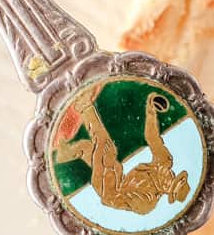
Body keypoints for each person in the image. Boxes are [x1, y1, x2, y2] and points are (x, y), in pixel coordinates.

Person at [54, 86, 191, 214]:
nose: (169, 176)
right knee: (86, 148)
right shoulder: (164, 162)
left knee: (107, 150)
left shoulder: (147, 202)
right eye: (174, 177)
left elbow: (112, 200)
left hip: (108, 188)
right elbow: (152, 137)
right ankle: (63, 154)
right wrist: (151, 110)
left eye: (169, 184)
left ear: (165, 190)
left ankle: (84, 105)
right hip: (117, 174)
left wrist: (108, 172)